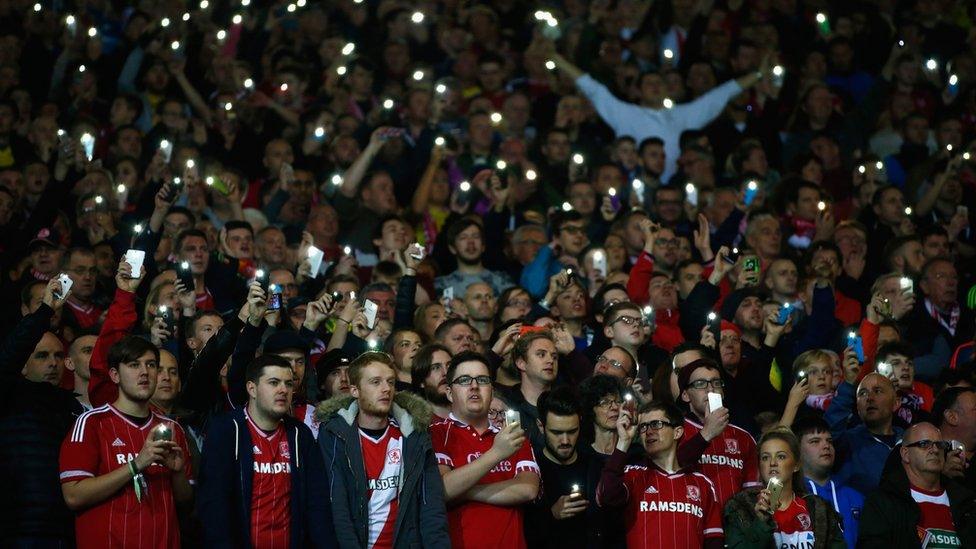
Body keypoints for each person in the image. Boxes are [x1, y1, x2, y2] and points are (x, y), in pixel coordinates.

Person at [59, 336, 193, 549]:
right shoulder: (92, 423)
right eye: (133, 365)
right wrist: (136, 465)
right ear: (114, 375)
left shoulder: (172, 429)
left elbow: (185, 501)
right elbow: (74, 495)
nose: (144, 372)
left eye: (151, 365)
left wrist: (177, 474)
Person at [196, 354, 338, 548]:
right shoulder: (226, 431)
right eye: (273, 382)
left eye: (288, 384)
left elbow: (317, 505)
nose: (283, 390)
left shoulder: (300, 434)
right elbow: (213, 506)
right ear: (251, 388)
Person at [317, 351, 449, 548]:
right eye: (375, 382)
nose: (386, 389)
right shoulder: (334, 435)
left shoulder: (415, 435)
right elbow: (338, 507)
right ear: (355, 390)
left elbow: (431, 506)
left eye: (390, 381)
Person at [431, 351, 540, 549]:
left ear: (491, 389)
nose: (474, 386)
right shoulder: (436, 434)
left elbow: (528, 490)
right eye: (464, 380)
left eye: (482, 380)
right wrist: (497, 453)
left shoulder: (512, 434)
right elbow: (441, 489)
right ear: (448, 392)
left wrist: (464, 491)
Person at [597, 399, 725, 548]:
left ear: (677, 432)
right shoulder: (632, 475)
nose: (649, 431)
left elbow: (714, 541)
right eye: (643, 427)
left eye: (656, 424)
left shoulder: (703, 484)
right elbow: (607, 497)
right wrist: (623, 442)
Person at [723, 427, 847, 548]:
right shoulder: (741, 509)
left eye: (781, 456)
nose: (772, 463)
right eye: (765, 457)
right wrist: (760, 522)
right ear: (759, 466)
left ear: (796, 465)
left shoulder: (820, 510)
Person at [859, 422, 976, 547]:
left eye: (939, 445)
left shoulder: (967, 503)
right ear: (905, 454)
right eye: (924, 444)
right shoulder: (882, 502)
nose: (935, 450)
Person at [677, 358, 760, 508]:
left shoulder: (744, 438)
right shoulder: (674, 431)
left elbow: (752, 493)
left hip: (735, 526)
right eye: (701, 384)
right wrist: (707, 433)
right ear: (685, 395)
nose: (710, 389)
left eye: (716, 383)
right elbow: (670, 470)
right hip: (691, 521)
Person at [825, 349, 905, 495]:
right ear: (857, 406)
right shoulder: (847, 442)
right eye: (863, 393)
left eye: (878, 391)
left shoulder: (909, 441)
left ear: (896, 403)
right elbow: (829, 433)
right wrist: (848, 384)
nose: (869, 397)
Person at [524, 386, 590, 549]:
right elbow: (523, 533)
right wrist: (551, 514)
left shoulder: (594, 465)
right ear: (541, 426)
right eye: (557, 432)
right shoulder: (530, 471)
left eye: (572, 431)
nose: (566, 440)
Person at [794, 416, 865, 548]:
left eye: (830, 441)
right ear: (796, 451)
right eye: (815, 441)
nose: (826, 446)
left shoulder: (856, 497)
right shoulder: (790, 498)